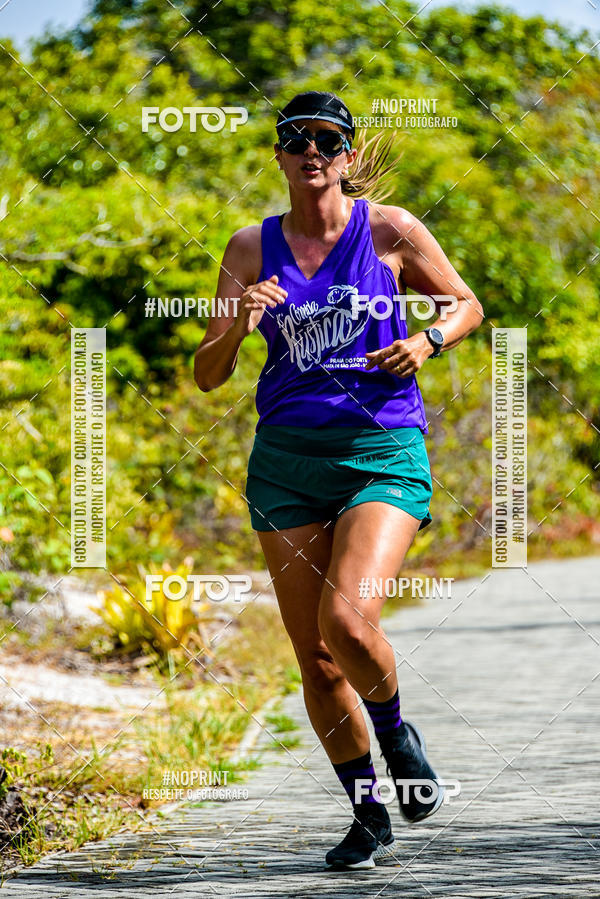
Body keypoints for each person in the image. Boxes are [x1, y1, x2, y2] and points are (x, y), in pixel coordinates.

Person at [194, 90, 483, 869]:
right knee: (315, 660)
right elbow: (206, 373)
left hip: (381, 445)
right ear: (280, 155)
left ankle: (399, 739)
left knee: (347, 623)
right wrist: (241, 322)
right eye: (298, 139)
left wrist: (427, 339)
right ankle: (368, 814)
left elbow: (466, 302)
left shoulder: (388, 229)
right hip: (285, 461)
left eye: (328, 139)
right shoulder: (249, 248)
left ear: (347, 155)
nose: (312, 150)